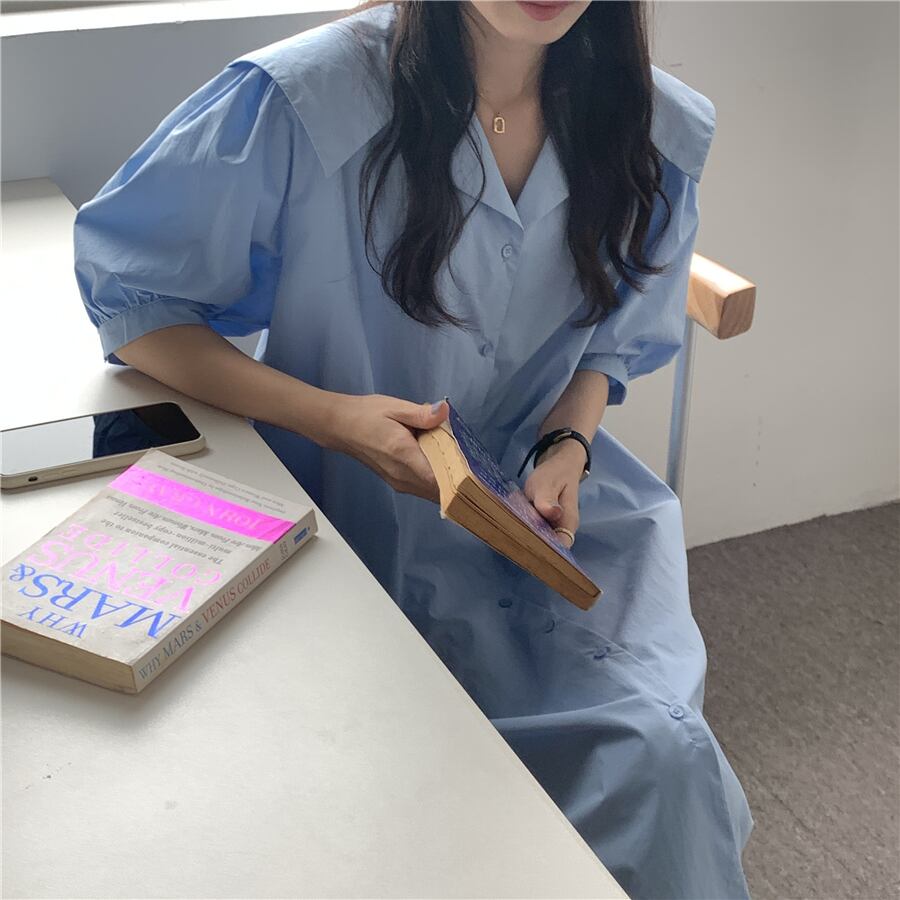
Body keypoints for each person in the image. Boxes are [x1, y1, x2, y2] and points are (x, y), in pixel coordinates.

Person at [74, 1, 752, 895]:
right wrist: (333, 418)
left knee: (661, 755)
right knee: (390, 794)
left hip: (554, 517)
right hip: (339, 509)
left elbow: (610, 345)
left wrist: (568, 442)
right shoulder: (302, 101)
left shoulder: (649, 122)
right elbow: (136, 306)